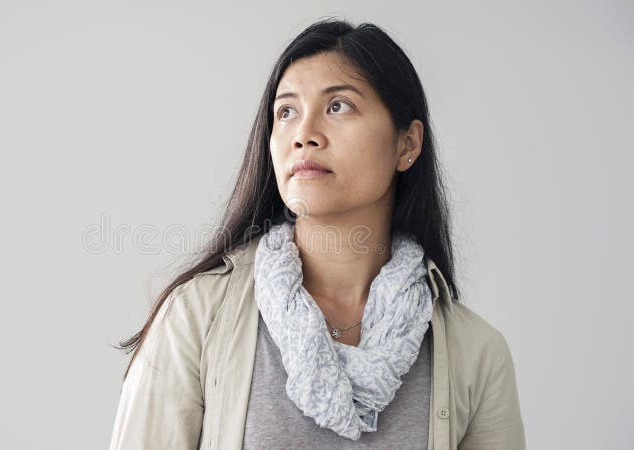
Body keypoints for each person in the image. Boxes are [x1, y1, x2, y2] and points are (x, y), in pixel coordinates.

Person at [110, 18, 525, 450]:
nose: (303, 136)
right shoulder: (195, 318)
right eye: (286, 112)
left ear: (407, 145)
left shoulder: (477, 354)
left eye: (338, 106)